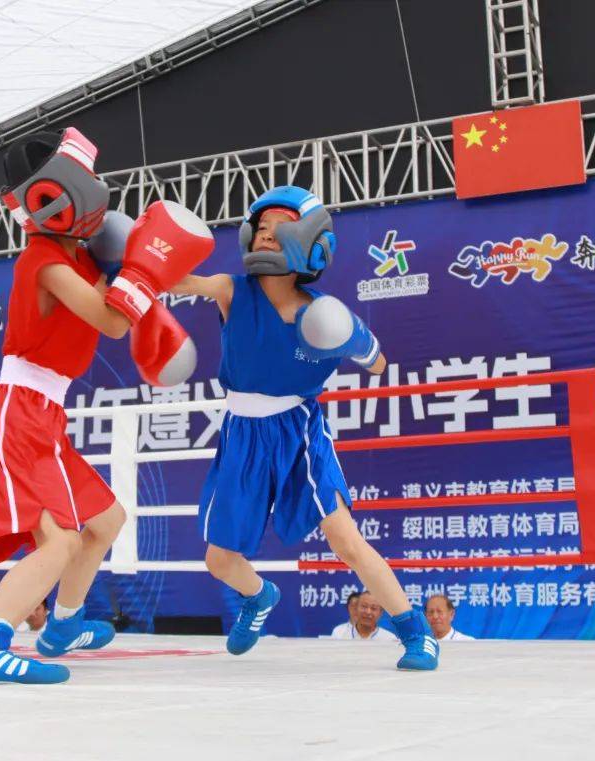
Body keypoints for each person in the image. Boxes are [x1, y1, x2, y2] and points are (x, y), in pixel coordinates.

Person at [0, 127, 213, 685]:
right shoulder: (45, 262)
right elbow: (113, 321)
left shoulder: (83, 257)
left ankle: (64, 624)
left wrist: (150, 265)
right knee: (60, 539)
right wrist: (143, 273)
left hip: (46, 415)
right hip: (19, 411)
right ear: (51, 195)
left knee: (107, 520)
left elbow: (130, 297)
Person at [171, 186, 438, 671]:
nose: (266, 234)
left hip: (298, 432)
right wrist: (140, 263)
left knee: (344, 538)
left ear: (308, 242)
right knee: (218, 559)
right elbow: (184, 281)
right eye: (262, 228)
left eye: (279, 228)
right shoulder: (233, 289)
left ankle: (416, 631)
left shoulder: (324, 314)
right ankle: (259, 597)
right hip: (242, 434)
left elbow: (378, 364)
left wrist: (352, 337)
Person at [330, 592, 397, 641]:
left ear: (381, 613)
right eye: (364, 606)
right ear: (356, 608)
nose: (368, 612)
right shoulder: (339, 634)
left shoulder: (389, 639)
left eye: (373, 608)